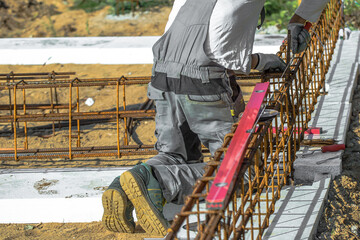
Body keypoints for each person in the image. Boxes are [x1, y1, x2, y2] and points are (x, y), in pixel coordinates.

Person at [102, 0, 330, 236]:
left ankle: (124, 185)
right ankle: (159, 181)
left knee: (175, 156)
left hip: (162, 74)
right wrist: (298, 22)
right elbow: (223, 55)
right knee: (241, 171)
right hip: (202, 83)